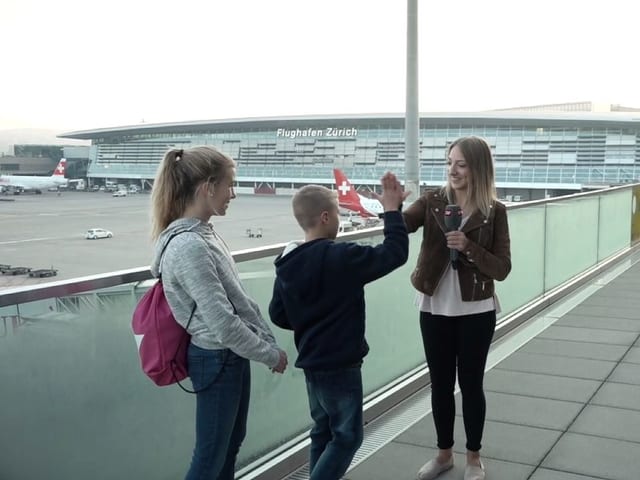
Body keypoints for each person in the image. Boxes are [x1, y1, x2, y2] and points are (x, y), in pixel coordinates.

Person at [149, 146, 288, 480]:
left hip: (229, 357)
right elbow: (222, 323)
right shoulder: (189, 246)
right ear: (208, 187)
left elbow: (236, 302)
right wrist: (270, 354)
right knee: (211, 456)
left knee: (228, 446)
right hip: (216, 357)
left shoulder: (203, 234)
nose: (233, 194)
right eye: (230, 185)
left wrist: (263, 341)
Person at [269, 173, 409, 480]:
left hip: (312, 364)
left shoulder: (287, 263)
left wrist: (310, 319)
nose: (340, 220)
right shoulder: (341, 256)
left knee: (322, 432)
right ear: (324, 217)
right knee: (348, 436)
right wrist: (392, 212)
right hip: (341, 365)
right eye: (337, 214)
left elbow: (278, 314)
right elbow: (395, 253)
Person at [402, 136, 511, 480]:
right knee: (440, 384)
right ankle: (444, 454)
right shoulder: (433, 201)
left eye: (461, 164)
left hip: (476, 310)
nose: (453, 170)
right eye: (450, 162)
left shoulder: (495, 211)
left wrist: (467, 247)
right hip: (433, 307)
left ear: (478, 167)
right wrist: (390, 208)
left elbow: (502, 268)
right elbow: (404, 224)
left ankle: (474, 458)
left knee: (472, 384)